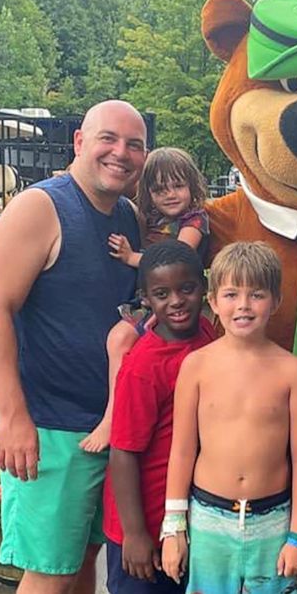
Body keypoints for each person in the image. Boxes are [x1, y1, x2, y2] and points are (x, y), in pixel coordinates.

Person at [0, 99, 147, 594]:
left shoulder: (127, 218)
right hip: (50, 428)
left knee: (82, 564)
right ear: (79, 143)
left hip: (107, 428)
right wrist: (12, 416)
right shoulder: (40, 207)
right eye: (108, 139)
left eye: (134, 145)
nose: (121, 153)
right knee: (49, 573)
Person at [161, 242, 297, 594]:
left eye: (256, 294)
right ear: (213, 302)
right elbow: (182, 450)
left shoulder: (292, 371)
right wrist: (173, 528)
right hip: (208, 519)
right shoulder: (196, 366)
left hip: (274, 522)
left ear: (275, 301)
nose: (243, 305)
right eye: (231, 294)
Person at [104, 241, 216, 594]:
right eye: (162, 293)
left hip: (185, 520)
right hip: (143, 522)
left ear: (204, 288)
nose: (177, 301)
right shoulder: (143, 367)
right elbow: (122, 451)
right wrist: (135, 533)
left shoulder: (208, 337)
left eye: (187, 289)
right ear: (146, 299)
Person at [81, 147, 210, 453]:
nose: (170, 195)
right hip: (152, 298)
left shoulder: (194, 220)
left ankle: (112, 418)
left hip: (174, 300)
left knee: (118, 339)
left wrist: (131, 256)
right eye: (159, 189)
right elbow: (122, 189)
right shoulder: (150, 218)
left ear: (192, 186)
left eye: (178, 186)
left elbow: (180, 256)